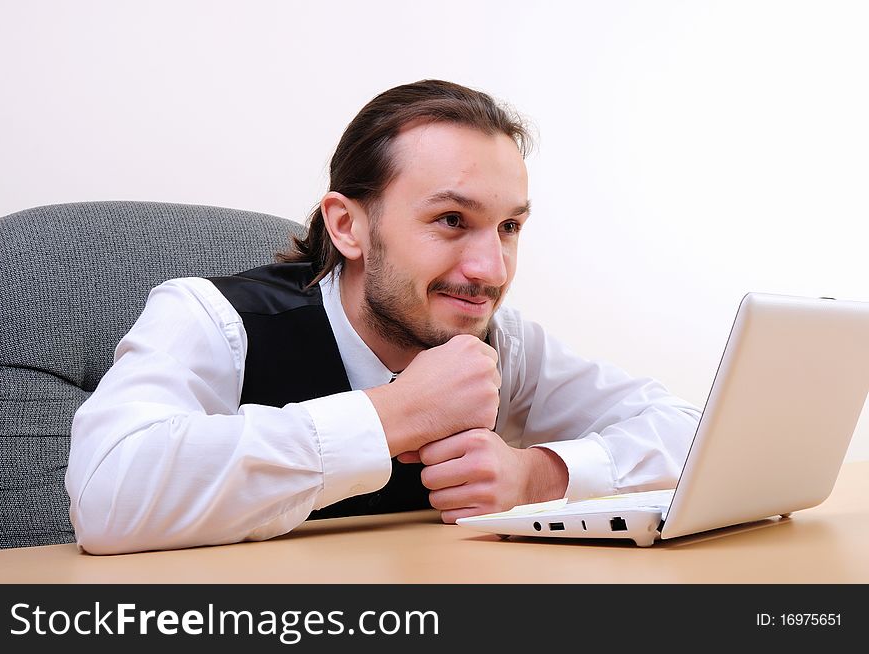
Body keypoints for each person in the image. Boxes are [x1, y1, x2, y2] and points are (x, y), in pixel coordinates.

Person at [66, 79, 701, 555]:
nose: (492, 269)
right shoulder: (209, 317)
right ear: (348, 225)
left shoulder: (499, 340)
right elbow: (105, 496)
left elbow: (690, 435)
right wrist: (395, 416)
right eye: (451, 220)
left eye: (508, 227)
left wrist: (539, 474)